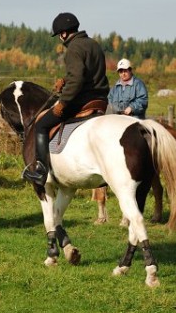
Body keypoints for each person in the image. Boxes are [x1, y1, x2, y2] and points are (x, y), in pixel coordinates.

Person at [22, 12, 110, 186]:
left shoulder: (73, 49)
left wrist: (62, 103)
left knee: (41, 124)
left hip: (82, 101)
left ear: (63, 33)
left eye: (59, 36)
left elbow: (77, 80)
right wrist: (65, 80)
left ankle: (40, 171)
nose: (60, 39)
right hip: (100, 99)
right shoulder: (93, 44)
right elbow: (87, 74)